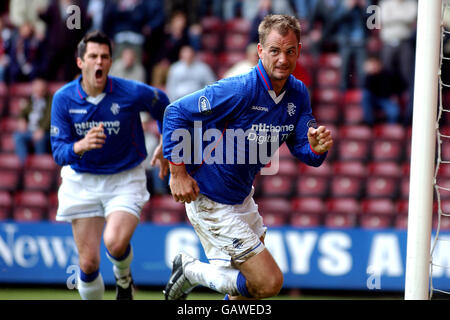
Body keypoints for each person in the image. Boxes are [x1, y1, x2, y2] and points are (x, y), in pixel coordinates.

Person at [162, 14, 333, 300]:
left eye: (290, 51)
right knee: (268, 283)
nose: (282, 59)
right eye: (275, 50)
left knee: (249, 291)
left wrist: (317, 148)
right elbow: (175, 112)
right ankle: (191, 271)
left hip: (241, 198)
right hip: (210, 199)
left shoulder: (298, 94)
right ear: (260, 50)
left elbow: (304, 149)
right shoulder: (240, 89)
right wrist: (178, 172)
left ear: (299, 51)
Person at [50, 31, 169, 300]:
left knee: (115, 243)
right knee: (88, 264)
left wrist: (166, 143)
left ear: (111, 62)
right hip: (81, 181)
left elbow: (163, 104)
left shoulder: (130, 91)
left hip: (125, 177)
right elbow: (58, 153)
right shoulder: (63, 99)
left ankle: (124, 279)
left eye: (104, 57)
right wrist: (79, 146)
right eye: (93, 56)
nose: (99, 62)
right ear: (80, 62)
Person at [13, 78, 52, 163]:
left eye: (40, 90)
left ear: (45, 90)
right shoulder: (30, 100)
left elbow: (49, 117)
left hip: (44, 131)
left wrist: (42, 129)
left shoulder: (50, 101)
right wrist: (21, 119)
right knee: (18, 136)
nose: (38, 92)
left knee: (40, 140)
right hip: (30, 130)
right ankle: (23, 165)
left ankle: (39, 165)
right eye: (36, 90)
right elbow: (23, 113)